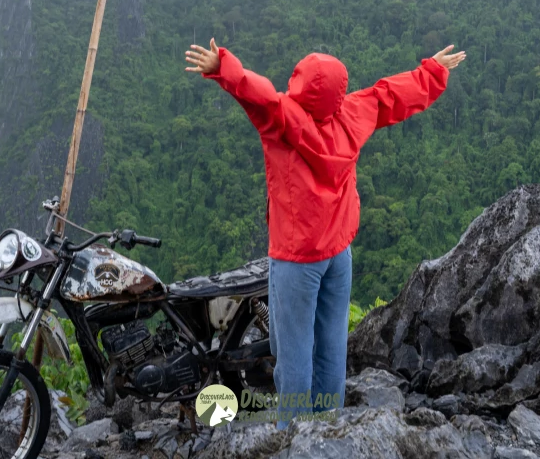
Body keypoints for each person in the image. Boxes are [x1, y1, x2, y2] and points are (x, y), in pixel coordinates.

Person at [185, 39, 465, 426]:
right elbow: (388, 96)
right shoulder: (351, 112)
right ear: (340, 90)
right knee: (332, 347)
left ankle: (294, 435)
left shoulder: (282, 118)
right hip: (338, 255)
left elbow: (259, 94)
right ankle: (329, 427)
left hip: (297, 260)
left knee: (295, 354)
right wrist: (432, 71)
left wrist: (222, 66)